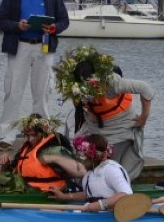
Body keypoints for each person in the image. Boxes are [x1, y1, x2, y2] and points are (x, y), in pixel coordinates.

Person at [0, 0, 69, 151]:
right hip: (19, 45)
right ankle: (7, 135)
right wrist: (17, 25)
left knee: (42, 91)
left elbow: (64, 20)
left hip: (44, 45)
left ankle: (42, 133)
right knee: (13, 91)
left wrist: (54, 28)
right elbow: (0, 21)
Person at [53, 45, 155, 179]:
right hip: (94, 126)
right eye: (83, 85)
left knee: (114, 164)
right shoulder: (76, 86)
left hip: (119, 125)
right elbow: (78, 102)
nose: (87, 88)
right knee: (83, 151)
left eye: (89, 84)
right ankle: (86, 182)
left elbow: (146, 89)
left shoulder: (113, 82)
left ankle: (116, 184)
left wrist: (143, 118)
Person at [0, 113, 85, 192]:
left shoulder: (52, 150)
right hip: (27, 191)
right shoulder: (25, 148)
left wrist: (55, 158)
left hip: (49, 192)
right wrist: (5, 165)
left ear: (43, 132)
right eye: (27, 135)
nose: (30, 139)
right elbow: (9, 175)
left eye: (34, 135)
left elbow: (82, 172)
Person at [48, 133, 133, 212]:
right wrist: (64, 196)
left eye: (84, 157)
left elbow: (126, 194)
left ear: (94, 157)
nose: (81, 160)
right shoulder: (90, 172)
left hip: (111, 214)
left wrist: (101, 204)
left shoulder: (111, 170)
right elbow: (88, 194)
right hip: (95, 213)